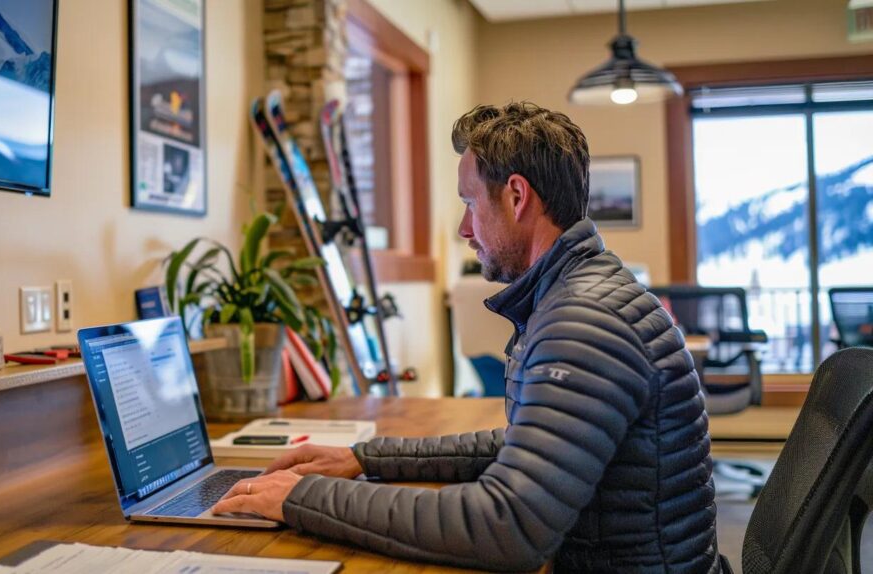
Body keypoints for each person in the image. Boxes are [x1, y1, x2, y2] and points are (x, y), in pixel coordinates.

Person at [213, 102, 720, 573]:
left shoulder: (582, 321)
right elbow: (527, 444)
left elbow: (506, 525)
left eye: (469, 202)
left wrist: (297, 499)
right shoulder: (581, 293)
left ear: (517, 196)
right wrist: (362, 459)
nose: (464, 228)